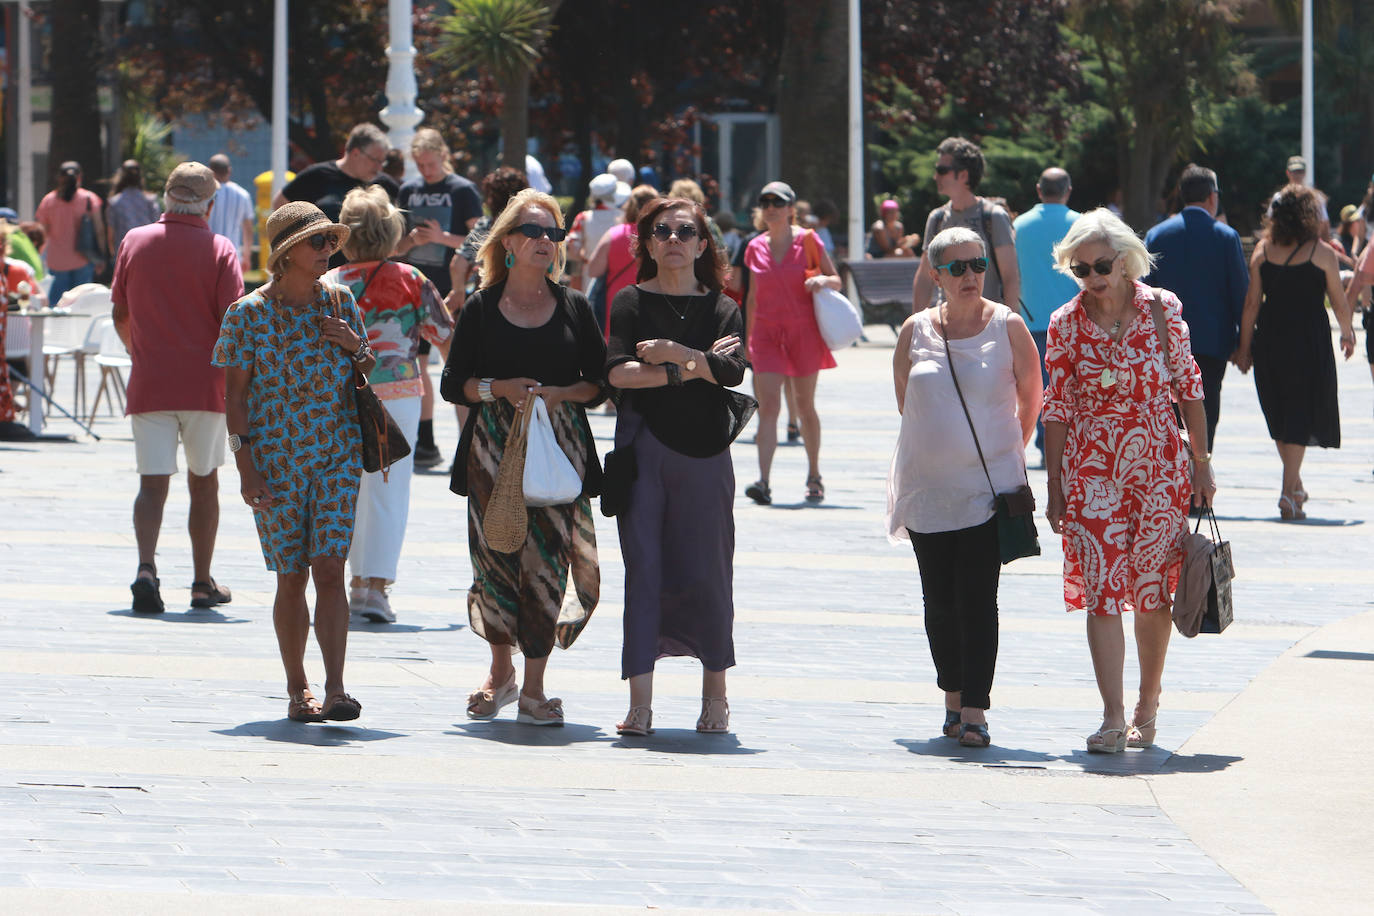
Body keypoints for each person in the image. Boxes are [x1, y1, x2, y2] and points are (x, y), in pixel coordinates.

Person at [1043, 208, 1215, 754]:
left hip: (1159, 470)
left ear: (1124, 260)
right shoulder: (1064, 323)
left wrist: (1201, 463)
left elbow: (1189, 387)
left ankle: (1148, 705)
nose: (1091, 277)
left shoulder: (1163, 310)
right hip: (1092, 470)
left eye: (1099, 265)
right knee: (1101, 592)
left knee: (1151, 593)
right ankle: (1112, 717)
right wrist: (1053, 486)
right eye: (1079, 269)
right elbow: (1056, 407)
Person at [439, 188, 606, 727]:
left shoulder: (574, 305)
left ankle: (533, 688)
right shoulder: (483, 308)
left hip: (559, 449)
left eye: (553, 234)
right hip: (492, 452)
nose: (544, 242)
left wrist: (560, 394)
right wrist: (498, 388)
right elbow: (452, 384)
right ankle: (500, 673)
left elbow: (599, 383)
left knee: (546, 567)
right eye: (533, 232)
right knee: (496, 562)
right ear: (508, 240)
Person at [213, 201, 373, 723]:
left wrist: (354, 345)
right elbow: (233, 398)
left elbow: (367, 365)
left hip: (337, 454)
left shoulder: (341, 302)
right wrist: (245, 465)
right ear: (286, 254)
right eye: (319, 242)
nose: (330, 250)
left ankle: (337, 688)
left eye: (332, 241)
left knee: (330, 568)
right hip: (275, 460)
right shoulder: (247, 314)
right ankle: (297, 687)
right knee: (291, 576)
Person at [888, 227, 1042, 748]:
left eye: (977, 265)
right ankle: (951, 697)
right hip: (926, 492)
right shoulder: (914, 331)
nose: (971, 275)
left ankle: (974, 708)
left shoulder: (1008, 326)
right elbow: (906, 401)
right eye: (957, 268)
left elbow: (1031, 399)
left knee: (978, 600)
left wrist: (1005, 456)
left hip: (985, 491)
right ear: (936, 276)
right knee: (939, 603)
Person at [605, 197, 749, 736]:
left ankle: (716, 696)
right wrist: (692, 366)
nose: (673, 239)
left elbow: (732, 371)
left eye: (685, 231)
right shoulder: (629, 301)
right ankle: (640, 704)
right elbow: (617, 374)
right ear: (645, 242)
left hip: (707, 456)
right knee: (644, 572)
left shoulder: (723, 307)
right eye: (661, 231)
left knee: (710, 573)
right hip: (643, 453)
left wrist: (669, 352)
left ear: (703, 243)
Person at [111, 161, 245, 614]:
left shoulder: (135, 241)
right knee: (204, 482)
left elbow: (120, 313)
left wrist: (140, 353)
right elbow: (235, 323)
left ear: (166, 197)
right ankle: (202, 582)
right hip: (206, 385)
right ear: (210, 203)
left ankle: (146, 568)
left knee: (151, 483)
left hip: (150, 381)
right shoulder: (220, 248)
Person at [327, 186, 454, 623]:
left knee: (347, 493)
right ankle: (374, 588)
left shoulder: (330, 282)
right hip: (398, 396)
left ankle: (350, 584)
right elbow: (445, 336)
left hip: (340, 397)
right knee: (387, 491)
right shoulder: (412, 280)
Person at [1234, 185, 1355, 519]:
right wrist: (1347, 333)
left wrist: (1244, 348)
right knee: (1298, 412)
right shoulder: (1322, 252)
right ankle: (1289, 492)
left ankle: (1294, 486)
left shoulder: (1262, 251)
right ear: (1308, 217)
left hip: (1270, 338)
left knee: (1280, 412)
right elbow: (1339, 300)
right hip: (1308, 340)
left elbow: (1250, 305)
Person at [742, 181, 841, 505]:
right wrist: (747, 338)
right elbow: (753, 297)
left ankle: (814, 474)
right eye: (765, 201)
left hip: (803, 333)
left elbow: (837, 278)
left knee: (803, 405)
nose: (771, 206)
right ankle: (764, 481)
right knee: (768, 407)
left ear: (790, 209)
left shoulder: (809, 241)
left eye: (778, 201)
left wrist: (823, 280)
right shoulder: (754, 246)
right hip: (767, 335)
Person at [391, 128, 483, 469]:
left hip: (451, 288)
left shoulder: (461, 189)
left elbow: (481, 238)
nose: (426, 171)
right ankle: (426, 440)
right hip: (413, 288)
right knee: (416, 364)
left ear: (442, 156)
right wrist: (411, 242)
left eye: (431, 163)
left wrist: (443, 238)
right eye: (420, 164)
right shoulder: (409, 190)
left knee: (456, 364)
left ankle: (467, 443)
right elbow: (396, 247)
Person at [1144, 165, 1248, 453]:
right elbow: (1241, 294)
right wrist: (1244, 344)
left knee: (1169, 418)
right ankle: (1199, 485)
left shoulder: (1156, 235)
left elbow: (1141, 292)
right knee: (1207, 414)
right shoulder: (1226, 237)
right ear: (1212, 197)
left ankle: (1176, 479)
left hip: (1163, 343)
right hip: (1212, 345)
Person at [1013, 167, 1080, 458]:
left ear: (1038, 190)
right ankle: (1066, 443)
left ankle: (1042, 442)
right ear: (1068, 191)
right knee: (1071, 387)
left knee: (1038, 387)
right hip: (1074, 318)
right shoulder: (1081, 224)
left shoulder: (1018, 225)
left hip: (1031, 317)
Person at [911, 138, 1019, 313]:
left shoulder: (994, 216)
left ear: (963, 175)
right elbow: (925, 277)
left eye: (941, 170)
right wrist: (916, 327)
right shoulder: (937, 218)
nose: (935, 176)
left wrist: (1009, 325)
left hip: (987, 323)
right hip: (946, 324)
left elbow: (1011, 278)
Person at [274, 123, 399, 266]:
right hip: (322, 272)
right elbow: (280, 204)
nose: (379, 167)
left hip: (371, 273)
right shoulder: (317, 176)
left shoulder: (386, 185)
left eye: (383, 162)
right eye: (376, 160)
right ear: (356, 153)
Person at [447, 166, 529, 312]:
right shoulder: (532, 227)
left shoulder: (485, 225)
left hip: (488, 301)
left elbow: (458, 264)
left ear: (490, 198)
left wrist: (458, 291)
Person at [585, 184, 661, 337]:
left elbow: (593, 269)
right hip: (654, 303)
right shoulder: (661, 237)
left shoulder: (615, 234)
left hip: (616, 304)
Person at [36, 161, 107, 303]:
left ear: (59, 178)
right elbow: (99, 230)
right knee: (81, 304)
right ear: (80, 177)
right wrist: (101, 257)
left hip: (56, 262)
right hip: (84, 259)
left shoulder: (48, 201)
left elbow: (43, 233)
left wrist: (39, 258)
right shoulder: (89, 199)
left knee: (56, 306)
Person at [566, 174, 621, 292]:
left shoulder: (583, 218)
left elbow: (572, 248)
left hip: (589, 273)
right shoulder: (623, 217)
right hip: (618, 273)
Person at [207, 154, 258, 274]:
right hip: (232, 253)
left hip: (206, 252)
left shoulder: (204, 193)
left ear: (210, 171)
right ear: (229, 171)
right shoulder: (242, 194)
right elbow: (248, 229)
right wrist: (246, 256)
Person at [105, 159, 161, 257]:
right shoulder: (150, 200)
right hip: (147, 253)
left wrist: (113, 254)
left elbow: (111, 234)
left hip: (124, 254)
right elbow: (158, 227)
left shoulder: (114, 202)